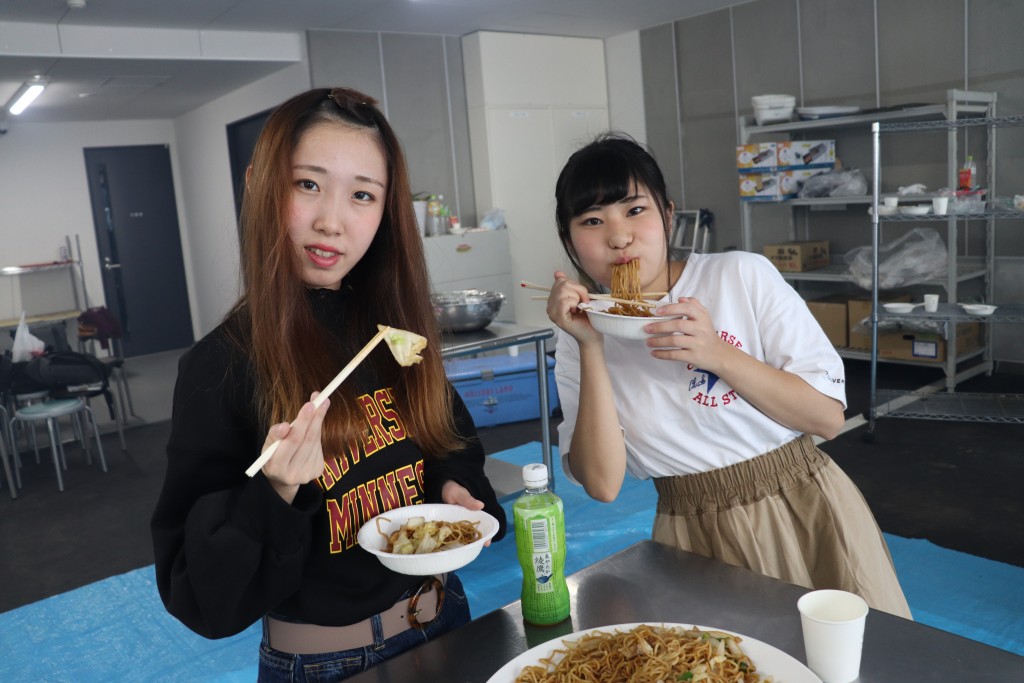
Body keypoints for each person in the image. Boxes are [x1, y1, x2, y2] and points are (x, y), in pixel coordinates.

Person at [151, 86, 507, 680]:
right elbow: (198, 596)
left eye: (362, 195)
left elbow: (452, 445)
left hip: (446, 621)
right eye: (307, 184)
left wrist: (453, 486)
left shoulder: (393, 335)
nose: (331, 222)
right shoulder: (219, 368)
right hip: (326, 662)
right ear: (260, 186)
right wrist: (276, 491)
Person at [544, 133, 911, 618]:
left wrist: (718, 354)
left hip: (804, 505)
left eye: (635, 210)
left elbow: (826, 418)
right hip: (690, 533)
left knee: (853, 651)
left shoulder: (740, 276)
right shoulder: (578, 332)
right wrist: (591, 346)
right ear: (569, 239)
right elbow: (603, 485)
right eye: (592, 221)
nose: (618, 236)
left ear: (668, 215)